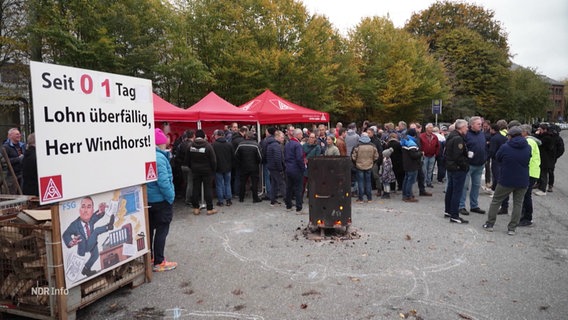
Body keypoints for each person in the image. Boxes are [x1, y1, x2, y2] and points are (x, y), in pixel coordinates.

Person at [482, 126, 531, 235]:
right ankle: (512, 228)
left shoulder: (505, 147)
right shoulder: (527, 147)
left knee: (496, 200)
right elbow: (528, 158)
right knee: (518, 203)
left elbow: (498, 158)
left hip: (506, 178)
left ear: (510, 136)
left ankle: (490, 224)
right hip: (522, 179)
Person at [145, 128, 177, 271]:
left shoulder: (149, 155)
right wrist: (171, 197)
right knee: (162, 230)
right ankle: (159, 261)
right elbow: (163, 181)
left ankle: (151, 257)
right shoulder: (159, 158)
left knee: (151, 229)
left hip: (150, 199)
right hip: (160, 200)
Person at [62, 196, 115, 276]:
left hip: (92, 244)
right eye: (83, 207)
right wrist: (70, 242)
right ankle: (108, 226)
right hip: (84, 246)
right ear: (80, 210)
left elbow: (97, 216)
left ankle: (86, 270)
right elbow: (66, 234)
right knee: (96, 231)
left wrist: (102, 211)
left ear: (92, 210)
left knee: (95, 255)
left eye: (89, 207)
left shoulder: (91, 219)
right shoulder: (75, 225)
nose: (86, 210)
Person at [458, 116, 487, 215]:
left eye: (480, 124)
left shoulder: (482, 134)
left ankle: (474, 205)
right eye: (478, 124)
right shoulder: (466, 135)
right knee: (464, 186)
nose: (480, 125)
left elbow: (485, 147)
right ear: (472, 125)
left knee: (476, 186)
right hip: (469, 164)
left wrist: (485, 158)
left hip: (480, 164)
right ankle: (461, 206)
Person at [444, 119, 470, 224]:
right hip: (457, 168)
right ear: (461, 127)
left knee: (450, 189)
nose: (467, 129)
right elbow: (458, 155)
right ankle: (454, 215)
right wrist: (465, 166)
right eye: (466, 127)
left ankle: (448, 210)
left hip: (451, 167)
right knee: (457, 191)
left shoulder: (451, 136)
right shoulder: (458, 138)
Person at [188, 129, 217, 215]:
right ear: (204, 136)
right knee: (208, 189)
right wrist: (213, 170)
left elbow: (187, 159)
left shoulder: (190, 146)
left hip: (195, 171)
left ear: (195, 136)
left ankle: (196, 208)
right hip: (207, 171)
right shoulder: (208, 146)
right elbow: (213, 160)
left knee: (195, 189)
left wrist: (192, 167)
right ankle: (209, 209)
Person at [519, 124, 541, 227]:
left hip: (530, 171)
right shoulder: (531, 141)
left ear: (525, 132)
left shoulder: (529, 142)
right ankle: (524, 215)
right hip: (532, 171)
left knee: (527, 195)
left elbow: (526, 156)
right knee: (525, 194)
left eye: (521, 131)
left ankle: (527, 217)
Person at [235, 131, 262, 203]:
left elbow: (236, 156)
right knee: (254, 183)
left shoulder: (240, 144)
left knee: (242, 182)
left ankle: (241, 198)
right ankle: (255, 198)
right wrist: (257, 163)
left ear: (246, 136)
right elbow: (260, 157)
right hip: (254, 167)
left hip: (243, 166)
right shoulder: (256, 145)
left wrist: (240, 163)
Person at [352, 132, 379, 203]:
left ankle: (360, 198)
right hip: (369, 165)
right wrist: (372, 162)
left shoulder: (357, 145)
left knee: (360, 182)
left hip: (359, 165)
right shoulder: (372, 145)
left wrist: (356, 163)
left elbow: (353, 157)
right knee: (368, 182)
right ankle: (369, 198)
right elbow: (376, 156)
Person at [284, 128, 305, 214]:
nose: (302, 136)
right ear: (298, 135)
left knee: (289, 188)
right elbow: (299, 158)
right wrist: (303, 167)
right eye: (301, 134)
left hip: (288, 168)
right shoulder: (297, 145)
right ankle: (298, 208)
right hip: (296, 169)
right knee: (298, 188)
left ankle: (288, 206)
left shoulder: (287, 144)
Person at [533, 123, 557, 195]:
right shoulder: (545, 136)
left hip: (546, 158)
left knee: (544, 174)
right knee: (541, 173)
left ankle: (543, 190)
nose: (539, 131)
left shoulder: (547, 138)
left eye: (540, 130)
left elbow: (538, 142)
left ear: (545, 130)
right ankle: (539, 185)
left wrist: (536, 135)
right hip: (543, 157)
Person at [212, 129, 234, 207]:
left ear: (217, 136)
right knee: (227, 183)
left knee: (219, 184)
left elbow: (212, 158)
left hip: (218, 168)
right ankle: (228, 200)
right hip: (228, 167)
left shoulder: (214, 145)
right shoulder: (229, 144)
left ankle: (220, 201)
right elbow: (233, 156)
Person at [400, 129, 422, 202]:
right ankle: (408, 196)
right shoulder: (411, 143)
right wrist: (421, 153)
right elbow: (414, 155)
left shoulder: (404, 141)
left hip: (406, 164)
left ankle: (404, 195)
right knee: (410, 181)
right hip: (412, 164)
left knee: (406, 180)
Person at [2, 128, 25, 194]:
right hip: (11, 176)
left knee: (22, 193)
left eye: (19, 134)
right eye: (17, 134)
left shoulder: (22, 145)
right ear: (10, 136)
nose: (19, 135)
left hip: (22, 174)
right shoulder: (5, 147)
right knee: (13, 194)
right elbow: (4, 161)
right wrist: (18, 159)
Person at [266, 130, 285, 206]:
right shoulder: (276, 145)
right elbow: (278, 158)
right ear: (277, 137)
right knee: (282, 184)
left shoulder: (270, 144)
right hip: (276, 168)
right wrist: (280, 168)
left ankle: (272, 200)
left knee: (274, 184)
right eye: (282, 137)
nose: (283, 139)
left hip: (271, 167)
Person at [419, 123, 440, 188]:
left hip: (432, 155)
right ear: (426, 128)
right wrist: (421, 152)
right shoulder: (421, 136)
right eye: (430, 127)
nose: (432, 129)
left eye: (432, 127)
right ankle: (424, 183)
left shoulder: (435, 136)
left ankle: (429, 182)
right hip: (424, 155)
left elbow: (437, 146)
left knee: (430, 170)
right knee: (424, 170)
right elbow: (419, 145)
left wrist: (436, 153)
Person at [180, 130, 195, 206]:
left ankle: (184, 195)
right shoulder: (192, 145)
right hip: (189, 166)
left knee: (185, 182)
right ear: (193, 135)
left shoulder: (182, 144)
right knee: (190, 183)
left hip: (182, 165)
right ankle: (188, 199)